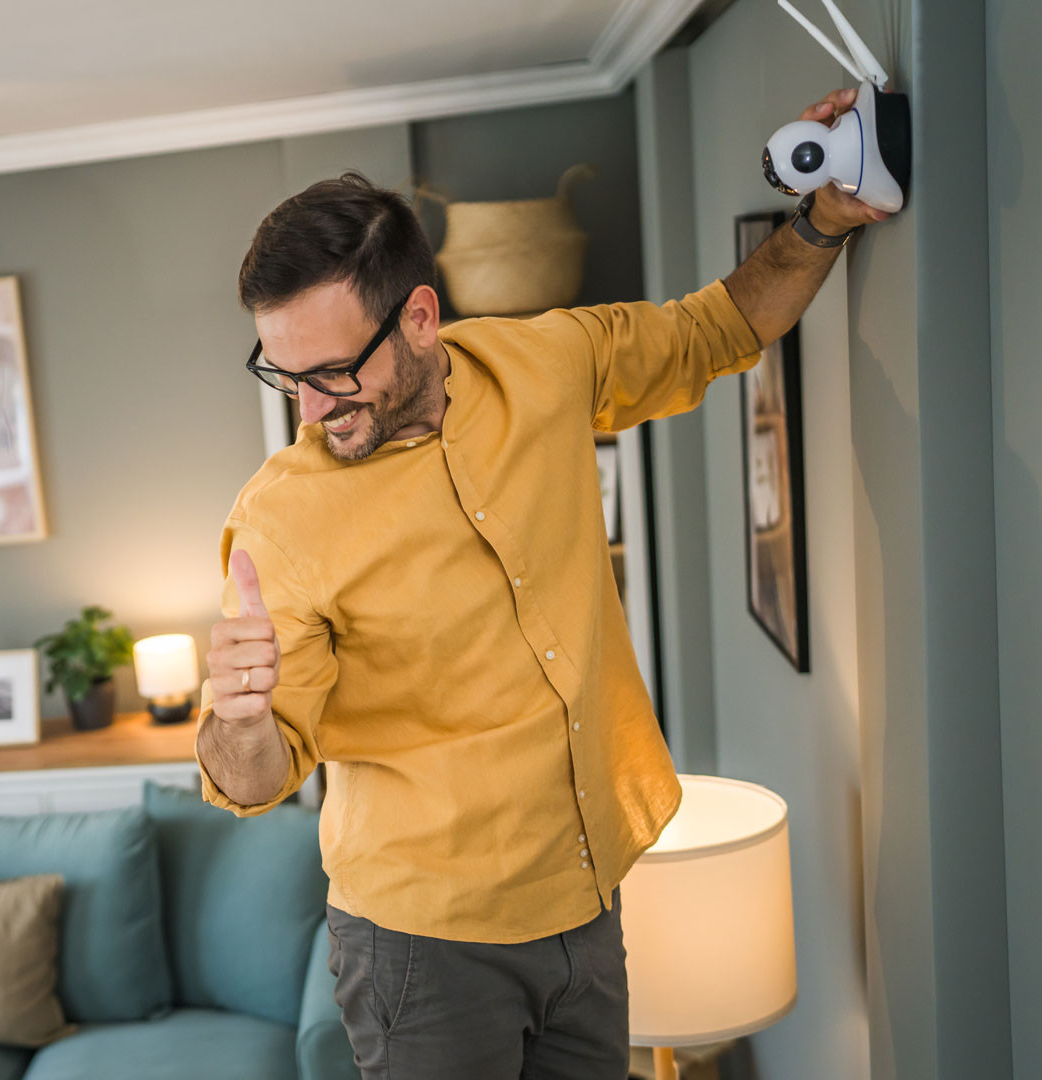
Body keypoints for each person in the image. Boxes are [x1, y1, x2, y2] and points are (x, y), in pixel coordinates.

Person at [198, 88, 887, 1079]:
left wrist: (825, 218)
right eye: (285, 375)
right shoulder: (282, 520)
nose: (310, 409)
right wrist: (243, 714)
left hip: (586, 904)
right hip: (420, 954)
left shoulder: (545, 365)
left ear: (421, 317)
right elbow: (257, 776)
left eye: (335, 373)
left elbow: (715, 332)